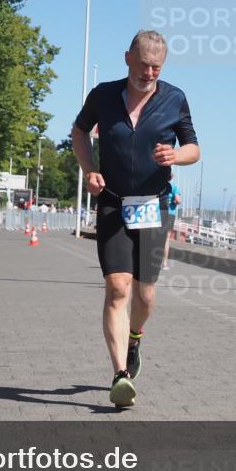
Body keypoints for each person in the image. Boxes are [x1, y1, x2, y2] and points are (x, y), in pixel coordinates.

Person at [71, 30, 200, 408]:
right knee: (118, 289)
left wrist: (176, 157)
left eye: (156, 67)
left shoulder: (174, 99)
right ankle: (120, 376)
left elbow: (194, 147)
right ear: (128, 57)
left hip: (153, 206)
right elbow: (79, 131)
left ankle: (135, 338)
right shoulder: (103, 95)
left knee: (144, 294)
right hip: (112, 202)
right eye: (143, 64)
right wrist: (88, 168)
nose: (149, 72)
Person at [162, 174, 181, 270]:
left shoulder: (159, 186)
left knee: (156, 236)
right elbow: (178, 200)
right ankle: (164, 263)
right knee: (166, 239)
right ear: (171, 178)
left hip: (159, 212)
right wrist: (175, 202)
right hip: (170, 214)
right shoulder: (174, 187)